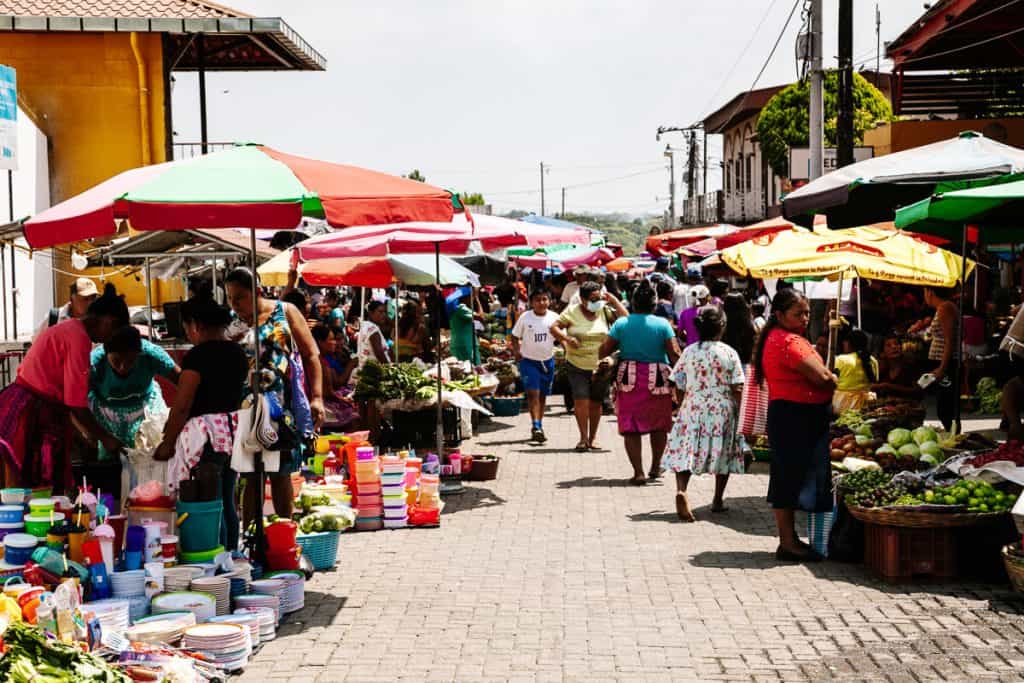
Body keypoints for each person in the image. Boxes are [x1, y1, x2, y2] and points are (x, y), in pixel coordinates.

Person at [1, 285, 128, 491]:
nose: (109, 339)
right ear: (107, 321)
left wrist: (86, 437)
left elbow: (68, 401)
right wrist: (106, 438)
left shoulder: (70, 328)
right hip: (31, 410)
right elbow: (75, 403)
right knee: (36, 487)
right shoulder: (78, 338)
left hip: (25, 403)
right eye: (113, 332)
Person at [223, 268, 324, 524]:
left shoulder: (286, 311)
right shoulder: (232, 325)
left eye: (240, 297)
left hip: (281, 407)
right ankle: (251, 538)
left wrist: (317, 397)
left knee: (281, 473)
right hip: (246, 408)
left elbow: (311, 355)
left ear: (256, 291)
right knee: (251, 476)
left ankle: (285, 534)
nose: (234, 305)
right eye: (230, 299)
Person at [154, 296, 248, 551]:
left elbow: (183, 404)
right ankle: (231, 554)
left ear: (195, 325)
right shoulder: (238, 353)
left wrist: (168, 443)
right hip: (232, 433)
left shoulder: (198, 357)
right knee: (227, 497)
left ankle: (215, 555)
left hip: (206, 438)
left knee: (209, 499)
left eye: (187, 329)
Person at [754, 288, 836, 562]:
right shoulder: (789, 342)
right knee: (788, 478)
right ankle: (788, 543)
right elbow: (823, 378)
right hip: (797, 416)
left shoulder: (776, 338)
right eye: (798, 313)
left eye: (807, 313)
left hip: (789, 415)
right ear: (779, 315)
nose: (804, 318)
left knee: (786, 477)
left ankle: (788, 540)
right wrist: (833, 380)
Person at [663, 306, 745, 519]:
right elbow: (738, 386)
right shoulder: (728, 352)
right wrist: (741, 414)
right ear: (722, 327)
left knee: (686, 451)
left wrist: (682, 404)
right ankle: (717, 500)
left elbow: (678, 381)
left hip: (693, 407)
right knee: (723, 452)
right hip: (722, 409)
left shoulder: (689, 351)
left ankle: (682, 490)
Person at [599, 281, 680, 485]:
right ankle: (655, 467)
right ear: (654, 304)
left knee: (630, 425)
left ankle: (638, 472)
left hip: (629, 379)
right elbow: (675, 354)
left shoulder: (621, 325)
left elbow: (603, 351)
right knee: (660, 424)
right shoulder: (663, 325)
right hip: (659, 379)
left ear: (633, 303)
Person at [551, 281, 627, 451]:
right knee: (581, 400)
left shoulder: (605, 310)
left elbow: (626, 320)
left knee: (596, 402)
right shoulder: (572, 311)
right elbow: (554, 327)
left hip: (601, 366)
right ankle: (583, 438)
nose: (597, 301)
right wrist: (566, 339)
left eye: (599, 297)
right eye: (593, 299)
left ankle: (593, 438)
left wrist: (614, 300)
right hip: (576, 364)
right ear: (582, 300)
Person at [89, 325, 181, 466]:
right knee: (111, 464)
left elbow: (184, 384)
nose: (123, 367)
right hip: (106, 413)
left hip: (146, 406)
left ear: (139, 354)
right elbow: (73, 402)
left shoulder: (152, 355)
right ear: (106, 354)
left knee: (151, 458)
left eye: (130, 361)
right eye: (116, 361)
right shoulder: (94, 363)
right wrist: (99, 436)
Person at [511, 289, 560, 443]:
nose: (541, 303)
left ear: (549, 301)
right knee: (533, 393)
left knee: (543, 396)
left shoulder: (555, 317)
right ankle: (536, 426)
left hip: (548, 361)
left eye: (544, 299)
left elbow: (561, 336)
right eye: (538, 300)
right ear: (531, 302)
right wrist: (517, 351)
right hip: (528, 362)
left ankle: (539, 423)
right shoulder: (525, 318)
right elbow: (514, 336)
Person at [923, 285, 959, 431]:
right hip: (942, 363)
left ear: (930, 292)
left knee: (945, 408)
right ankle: (953, 436)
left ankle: (954, 437)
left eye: (924, 292)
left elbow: (949, 340)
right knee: (945, 405)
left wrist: (942, 368)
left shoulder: (945, 307)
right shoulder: (944, 307)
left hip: (946, 364)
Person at [311, 324, 359, 429]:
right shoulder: (320, 363)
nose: (335, 343)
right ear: (320, 342)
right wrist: (345, 400)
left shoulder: (322, 359)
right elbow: (329, 393)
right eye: (332, 339)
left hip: (327, 398)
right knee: (355, 413)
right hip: (323, 403)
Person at [33, 277, 99, 341]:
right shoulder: (54, 318)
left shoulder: (99, 321)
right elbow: (36, 344)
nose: (90, 303)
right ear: (73, 297)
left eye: (93, 298)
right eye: (85, 299)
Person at [832, 329, 879, 413]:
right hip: (865, 407)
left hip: (842, 406)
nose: (843, 344)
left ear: (849, 343)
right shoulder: (873, 361)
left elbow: (831, 382)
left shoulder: (841, 359)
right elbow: (875, 381)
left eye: (845, 342)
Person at [357, 300, 392, 369]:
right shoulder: (373, 330)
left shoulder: (366, 325)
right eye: (380, 312)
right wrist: (389, 369)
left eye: (385, 312)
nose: (384, 315)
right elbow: (379, 354)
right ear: (370, 313)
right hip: (375, 371)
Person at [449, 292, 481, 365]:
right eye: (471, 297)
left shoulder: (455, 308)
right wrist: (477, 299)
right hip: (466, 343)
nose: (472, 300)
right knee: (474, 368)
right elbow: (481, 316)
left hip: (458, 343)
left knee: (461, 368)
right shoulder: (461, 308)